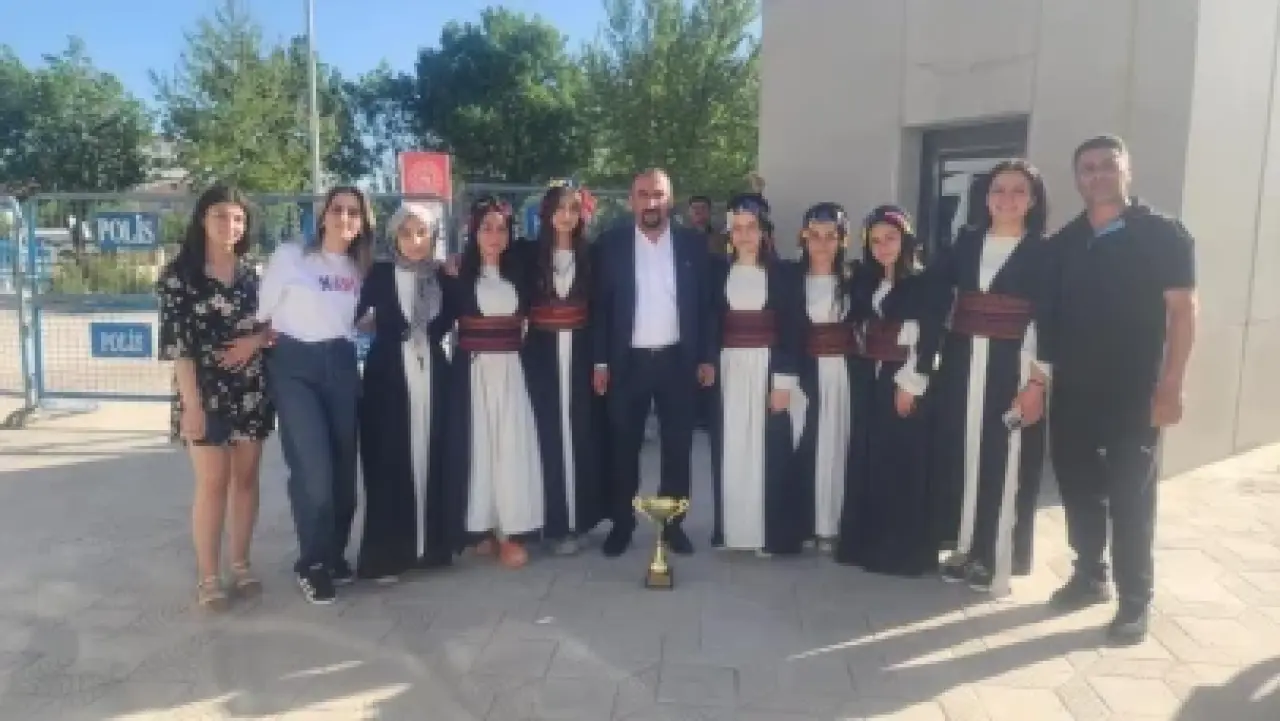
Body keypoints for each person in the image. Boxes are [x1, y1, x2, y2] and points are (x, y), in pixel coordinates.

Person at [1045, 135, 1197, 644]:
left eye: (1107, 165)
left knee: (1131, 496)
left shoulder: (1163, 234)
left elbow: (1183, 312)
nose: (1097, 175)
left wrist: (1172, 385)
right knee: (1078, 487)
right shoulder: (1065, 242)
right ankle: (1090, 574)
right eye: (1087, 168)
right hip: (1073, 392)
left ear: (1126, 170)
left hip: (1136, 393)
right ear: (1077, 178)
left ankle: (1136, 600)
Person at [929, 159, 1055, 597]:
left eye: (1019, 191)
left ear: (1033, 200)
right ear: (985, 197)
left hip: (1013, 365)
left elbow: (1050, 319)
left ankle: (996, 553)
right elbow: (932, 289)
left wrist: (1037, 383)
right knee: (966, 454)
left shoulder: (1044, 252)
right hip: (963, 363)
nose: (1007, 198)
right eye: (999, 189)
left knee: (1006, 459)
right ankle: (965, 545)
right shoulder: (966, 242)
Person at [157, 184, 274, 611]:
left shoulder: (254, 275)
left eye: (238, 218)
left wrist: (254, 342)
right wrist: (191, 406)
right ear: (203, 219)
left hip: (251, 389)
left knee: (246, 479)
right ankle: (208, 576)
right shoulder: (179, 276)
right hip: (202, 392)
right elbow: (178, 346)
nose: (230, 225)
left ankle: (240, 563)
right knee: (213, 482)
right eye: (221, 216)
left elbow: (275, 325)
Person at [592, 168, 716, 558]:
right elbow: (600, 309)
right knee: (623, 447)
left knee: (678, 448)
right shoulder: (610, 245)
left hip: (678, 360)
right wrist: (600, 362)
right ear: (632, 201)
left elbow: (707, 306)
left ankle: (673, 525)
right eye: (643, 194)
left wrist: (707, 357)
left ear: (670, 200)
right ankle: (622, 525)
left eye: (658, 195)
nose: (651, 202)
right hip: (626, 362)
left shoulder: (693, 245)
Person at [258, 186, 373, 605]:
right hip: (296, 368)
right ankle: (311, 563)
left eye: (354, 212)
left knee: (343, 477)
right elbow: (262, 313)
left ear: (363, 222)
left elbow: (366, 320)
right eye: (337, 209)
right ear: (323, 215)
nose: (345, 218)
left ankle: (334, 555)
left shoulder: (362, 269)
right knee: (314, 474)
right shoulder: (291, 257)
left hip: (340, 366)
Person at [834, 205, 943, 577]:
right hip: (870, 379)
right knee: (869, 460)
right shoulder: (865, 282)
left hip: (903, 380)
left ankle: (902, 552)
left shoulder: (925, 283)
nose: (883, 247)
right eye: (876, 240)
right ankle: (866, 545)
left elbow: (930, 338)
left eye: (891, 238)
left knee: (902, 463)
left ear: (906, 240)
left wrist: (911, 383)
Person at [354, 201, 455, 581]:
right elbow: (351, 316)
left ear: (433, 236)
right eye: (406, 233)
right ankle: (387, 555)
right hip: (388, 380)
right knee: (389, 461)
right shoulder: (379, 274)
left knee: (432, 457)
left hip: (433, 376)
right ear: (394, 236)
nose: (414, 241)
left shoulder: (443, 277)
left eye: (422, 232)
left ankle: (432, 548)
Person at [442, 196, 544, 569]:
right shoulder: (456, 276)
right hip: (473, 374)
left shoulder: (521, 274)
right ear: (473, 232)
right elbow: (436, 320)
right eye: (486, 228)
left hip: (512, 372)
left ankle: (511, 531)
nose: (494, 236)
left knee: (511, 448)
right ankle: (480, 526)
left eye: (501, 229)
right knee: (478, 449)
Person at [707, 193, 804, 556]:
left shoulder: (784, 274)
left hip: (767, 369)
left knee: (768, 452)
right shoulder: (717, 272)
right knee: (731, 450)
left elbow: (793, 328)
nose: (744, 235)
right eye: (738, 228)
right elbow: (710, 323)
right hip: (730, 369)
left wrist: (783, 381)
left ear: (764, 231)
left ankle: (770, 535)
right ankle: (732, 532)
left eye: (751, 228)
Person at [520, 181, 605, 555]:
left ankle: (580, 519)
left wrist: (601, 360)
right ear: (547, 213)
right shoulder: (527, 254)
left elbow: (601, 312)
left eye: (572, 209)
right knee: (547, 433)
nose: (566, 216)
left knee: (582, 433)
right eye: (559, 208)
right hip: (540, 352)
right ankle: (552, 521)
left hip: (582, 351)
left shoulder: (593, 255)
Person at [791, 202, 858, 554]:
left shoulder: (855, 280)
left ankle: (832, 524)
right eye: (814, 235)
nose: (821, 243)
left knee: (837, 445)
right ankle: (805, 522)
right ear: (803, 237)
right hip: (805, 372)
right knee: (806, 445)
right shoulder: (791, 278)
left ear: (842, 239)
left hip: (842, 373)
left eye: (830, 236)